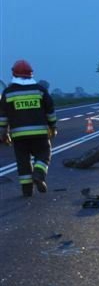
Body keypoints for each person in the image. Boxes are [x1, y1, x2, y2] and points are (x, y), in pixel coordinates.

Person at [0, 60, 57, 197]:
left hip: (18, 136)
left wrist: (3, 133)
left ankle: (27, 190)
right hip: (40, 134)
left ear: (14, 74)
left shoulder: (8, 93)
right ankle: (38, 173)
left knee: (23, 162)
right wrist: (53, 126)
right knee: (44, 154)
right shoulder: (40, 90)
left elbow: (3, 116)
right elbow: (50, 111)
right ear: (31, 74)